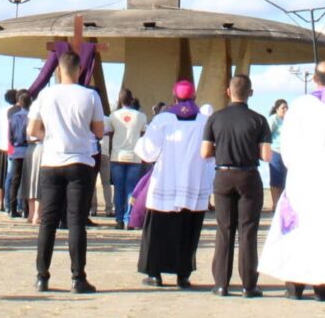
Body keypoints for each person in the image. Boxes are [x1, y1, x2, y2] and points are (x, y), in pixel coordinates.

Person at [259, 61, 325, 301]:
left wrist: (294, 166)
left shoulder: (298, 105)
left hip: (301, 177)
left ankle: (294, 286)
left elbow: (286, 142)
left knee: (298, 228)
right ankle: (322, 287)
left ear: (315, 79)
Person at [27, 49, 107, 293]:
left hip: (52, 160)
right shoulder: (90, 96)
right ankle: (77, 277)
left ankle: (42, 275)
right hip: (79, 161)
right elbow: (99, 131)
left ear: (59, 69)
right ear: (80, 70)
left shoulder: (46, 94)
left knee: (48, 222)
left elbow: (31, 129)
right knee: (76, 222)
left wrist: (48, 136)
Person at [136, 79, 215, 288]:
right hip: (192, 182)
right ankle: (183, 274)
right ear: (194, 97)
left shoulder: (163, 120)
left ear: (174, 97)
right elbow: (210, 155)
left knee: (158, 230)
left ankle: (154, 274)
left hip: (165, 181)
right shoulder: (204, 121)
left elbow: (148, 152)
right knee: (187, 229)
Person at [202, 74, 272, 297]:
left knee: (224, 229)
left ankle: (221, 283)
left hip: (223, 174)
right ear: (250, 93)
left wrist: (221, 150)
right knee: (248, 230)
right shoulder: (259, 120)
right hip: (249, 175)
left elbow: (204, 152)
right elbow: (266, 155)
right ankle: (248, 285)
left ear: (228, 91)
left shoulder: (215, 119)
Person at [106, 89, 148, 225]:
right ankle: (128, 218)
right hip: (134, 157)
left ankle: (118, 219)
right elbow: (143, 134)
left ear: (120, 100)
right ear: (132, 99)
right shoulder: (141, 116)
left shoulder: (114, 116)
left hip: (117, 156)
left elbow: (109, 133)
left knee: (118, 189)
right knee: (131, 189)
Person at [1, 88, 29, 218]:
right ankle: (25, 208)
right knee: (27, 181)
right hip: (27, 151)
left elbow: (10, 136)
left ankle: (11, 208)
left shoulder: (13, 117)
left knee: (14, 180)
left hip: (16, 150)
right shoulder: (30, 117)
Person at [267, 98, 290, 208]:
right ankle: (276, 203)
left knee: (285, 178)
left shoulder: (289, 120)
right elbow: (267, 135)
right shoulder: (273, 119)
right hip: (275, 151)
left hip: (286, 152)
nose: (285, 110)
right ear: (277, 109)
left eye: (286, 107)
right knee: (276, 177)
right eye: (283, 108)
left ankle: (282, 202)